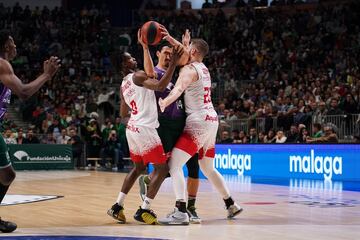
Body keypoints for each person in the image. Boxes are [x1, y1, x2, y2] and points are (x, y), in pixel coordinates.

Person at [158, 39, 242, 225]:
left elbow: (179, 89)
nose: (182, 51)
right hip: (212, 119)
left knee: (174, 164)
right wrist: (178, 41)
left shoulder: (188, 70)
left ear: (193, 51)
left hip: (199, 122)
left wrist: (165, 102)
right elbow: (184, 55)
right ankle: (230, 204)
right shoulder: (204, 68)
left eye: (187, 48)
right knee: (207, 167)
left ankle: (180, 211)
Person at [107, 43, 183, 225]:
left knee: (139, 168)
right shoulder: (138, 75)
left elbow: (123, 114)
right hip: (144, 129)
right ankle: (144, 209)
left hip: (132, 128)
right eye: (130, 58)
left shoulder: (123, 84)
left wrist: (137, 117)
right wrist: (172, 64)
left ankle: (117, 206)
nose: (134, 59)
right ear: (125, 65)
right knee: (162, 168)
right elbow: (160, 86)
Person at [137, 29, 202, 223]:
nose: (168, 56)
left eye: (170, 53)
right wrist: (145, 47)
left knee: (191, 166)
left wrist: (185, 47)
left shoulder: (178, 72)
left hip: (182, 123)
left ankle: (189, 208)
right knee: (166, 167)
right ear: (158, 54)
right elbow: (148, 69)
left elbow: (187, 60)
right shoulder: (154, 73)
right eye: (165, 52)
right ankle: (174, 206)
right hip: (163, 125)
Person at [0, 30, 60, 232]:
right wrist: (46, 75)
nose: (16, 46)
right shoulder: (2, 64)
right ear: (6, 46)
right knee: (7, 174)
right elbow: (24, 92)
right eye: (13, 43)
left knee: (7, 175)